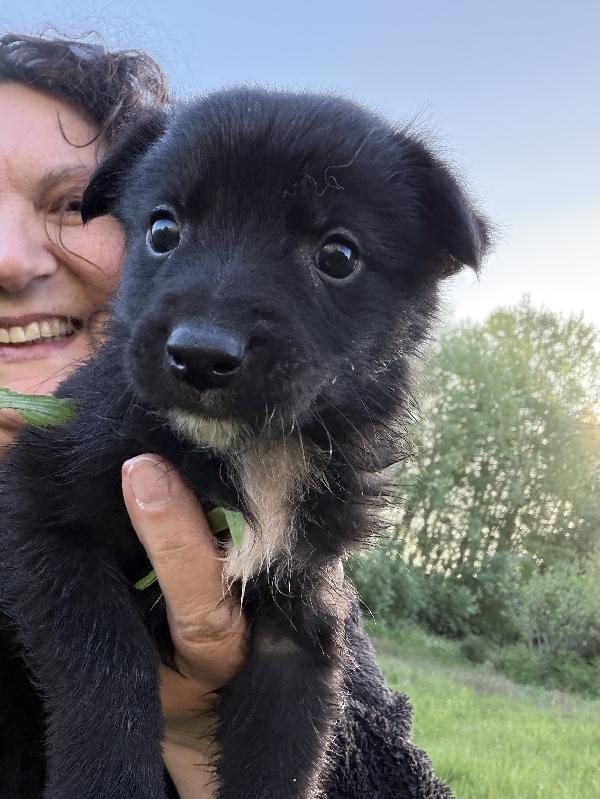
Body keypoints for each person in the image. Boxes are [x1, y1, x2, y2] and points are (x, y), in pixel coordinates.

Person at [0, 32, 453, 799]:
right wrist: (113, 739)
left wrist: (192, 738)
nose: (9, 259)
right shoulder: (94, 435)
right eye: (169, 234)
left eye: (335, 256)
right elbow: (44, 528)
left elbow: (301, 649)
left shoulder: (321, 483)